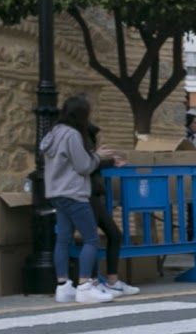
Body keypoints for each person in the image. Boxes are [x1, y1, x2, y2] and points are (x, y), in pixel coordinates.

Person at [43, 96, 125, 305]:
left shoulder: (53, 133)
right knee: (91, 239)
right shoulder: (72, 135)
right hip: (74, 193)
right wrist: (97, 156)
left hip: (56, 193)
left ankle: (63, 287)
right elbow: (84, 166)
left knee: (63, 238)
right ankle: (85, 285)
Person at [84, 120, 137, 297]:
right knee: (96, 238)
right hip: (85, 194)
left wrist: (109, 162)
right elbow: (84, 166)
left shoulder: (81, 140)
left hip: (91, 194)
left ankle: (107, 281)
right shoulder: (79, 140)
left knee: (105, 236)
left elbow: (90, 164)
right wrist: (99, 157)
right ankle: (92, 282)